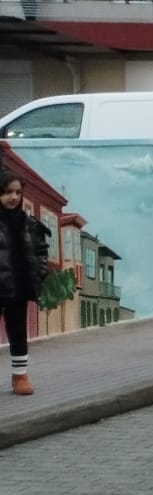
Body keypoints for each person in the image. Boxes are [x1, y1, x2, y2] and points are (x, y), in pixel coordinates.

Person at [0, 167, 50, 396]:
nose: (13, 197)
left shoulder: (29, 223)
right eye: (7, 192)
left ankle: (20, 376)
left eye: (17, 192)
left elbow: (41, 250)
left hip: (18, 287)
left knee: (18, 332)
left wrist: (38, 272)